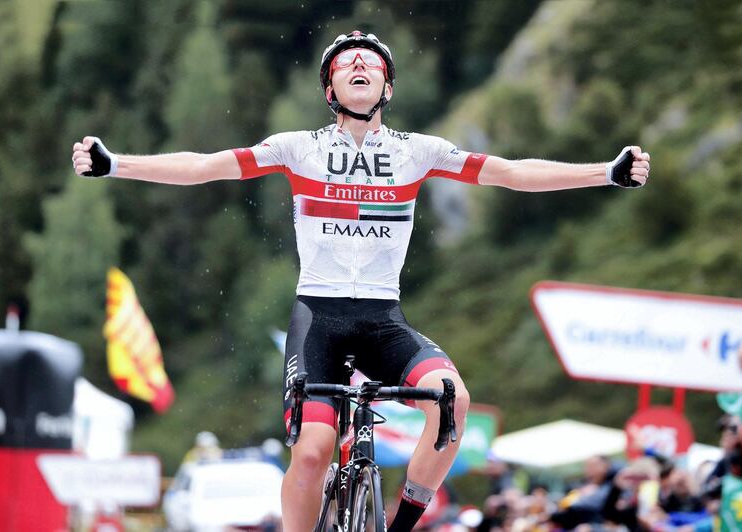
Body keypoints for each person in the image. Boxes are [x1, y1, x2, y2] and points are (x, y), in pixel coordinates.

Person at [71, 30, 650, 531]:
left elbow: (511, 173)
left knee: (453, 400)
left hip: (382, 318)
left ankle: (399, 524)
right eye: (345, 62)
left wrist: (606, 172)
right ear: (329, 92)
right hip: (318, 318)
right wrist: (114, 162)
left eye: (370, 62)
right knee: (314, 451)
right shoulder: (298, 149)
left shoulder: (418, 152)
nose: (357, 65)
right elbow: (203, 167)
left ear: (387, 89)